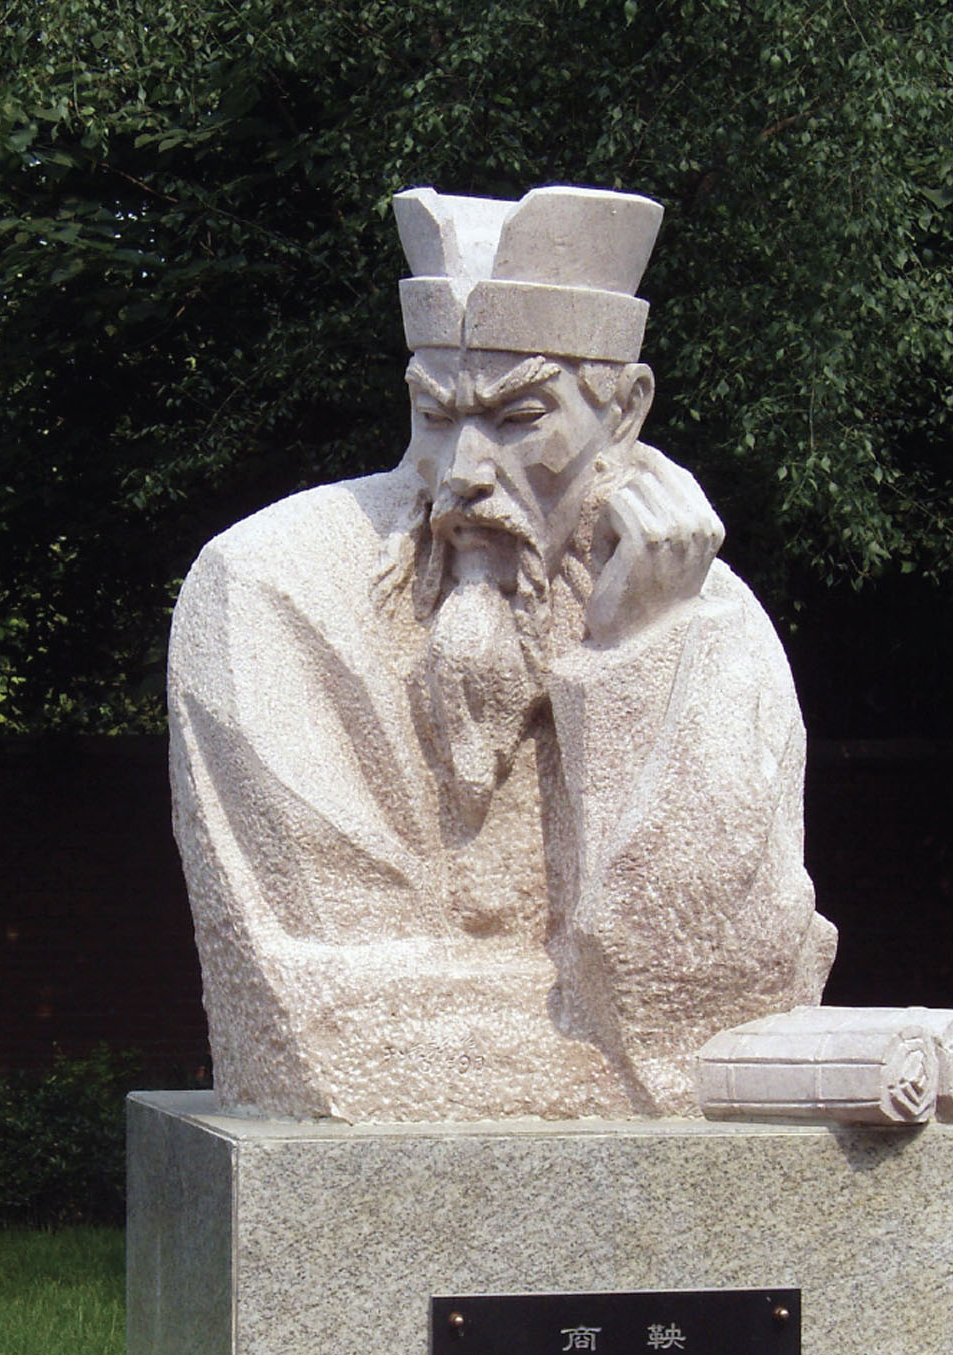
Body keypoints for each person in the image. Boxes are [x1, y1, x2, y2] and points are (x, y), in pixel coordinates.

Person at [169, 184, 836, 1120]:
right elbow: (329, 1021)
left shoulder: (706, 616)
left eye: (520, 419)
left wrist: (643, 658)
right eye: (435, 416)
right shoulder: (269, 588)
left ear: (626, 413)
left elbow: (719, 987)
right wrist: (629, 1040)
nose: (462, 474)